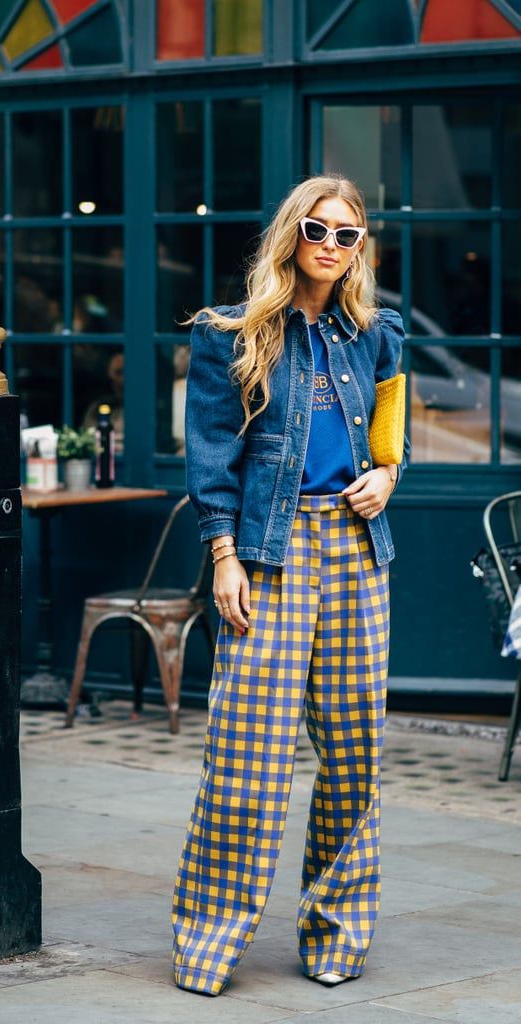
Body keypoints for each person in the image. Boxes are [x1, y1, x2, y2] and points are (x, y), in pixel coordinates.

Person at [171, 174, 410, 996]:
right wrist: (222, 554)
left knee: (352, 754)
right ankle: (208, 938)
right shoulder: (231, 333)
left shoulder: (377, 333)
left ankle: (335, 932)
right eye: (319, 228)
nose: (332, 246)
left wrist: (388, 475)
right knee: (247, 756)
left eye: (348, 235)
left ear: (359, 248)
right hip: (270, 555)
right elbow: (209, 452)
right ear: (291, 231)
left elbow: (388, 434)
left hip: (353, 550)